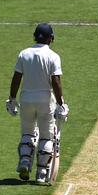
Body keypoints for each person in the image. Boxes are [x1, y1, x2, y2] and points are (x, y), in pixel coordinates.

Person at [6, 23, 69, 185]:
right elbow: (56, 81)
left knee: (27, 133)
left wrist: (12, 99)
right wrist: (61, 103)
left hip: (26, 99)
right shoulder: (53, 56)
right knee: (46, 136)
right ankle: (41, 173)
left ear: (35, 36)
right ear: (51, 38)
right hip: (45, 101)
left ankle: (25, 162)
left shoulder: (24, 54)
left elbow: (16, 78)